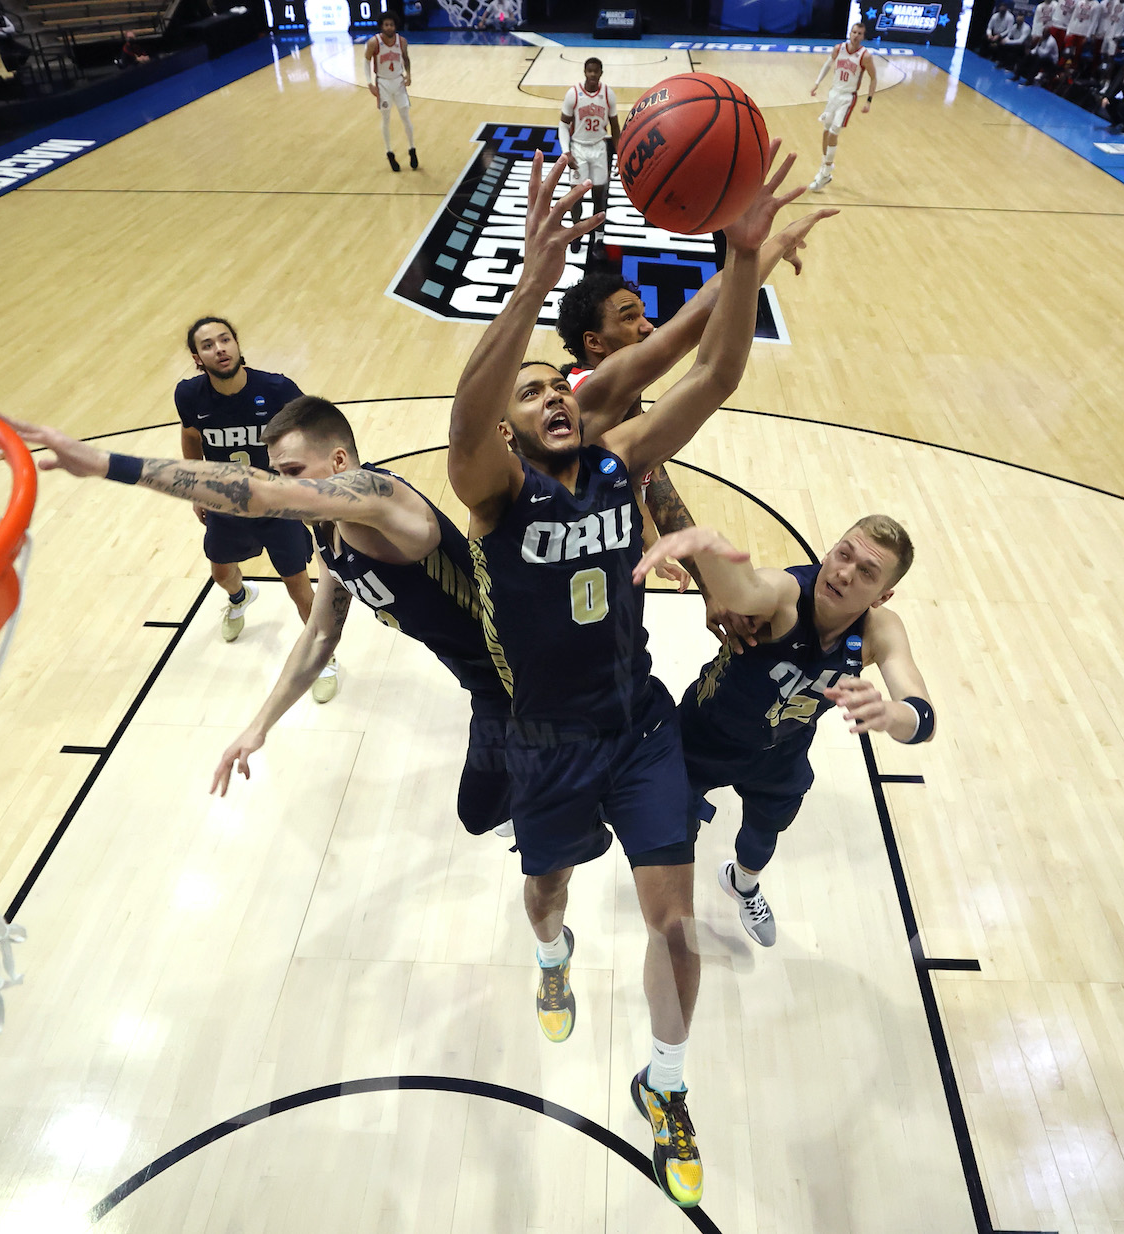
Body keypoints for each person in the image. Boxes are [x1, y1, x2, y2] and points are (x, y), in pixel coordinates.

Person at [446, 146, 833, 1210]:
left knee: (672, 922)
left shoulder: (619, 462)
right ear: (512, 429)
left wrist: (740, 261)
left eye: (556, 385)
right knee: (545, 895)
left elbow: (709, 373)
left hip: (637, 725)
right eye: (529, 395)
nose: (549, 397)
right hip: (547, 741)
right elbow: (466, 422)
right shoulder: (492, 493)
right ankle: (554, 953)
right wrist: (529, 285)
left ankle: (663, 1082)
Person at [7, 397, 517, 832]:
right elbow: (320, 635)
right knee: (485, 812)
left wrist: (104, 464)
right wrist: (259, 726)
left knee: (489, 811)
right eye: (278, 473)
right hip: (488, 682)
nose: (283, 484)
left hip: (523, 676)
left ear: (341, 462)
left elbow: (261, 495)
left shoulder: (377, 497)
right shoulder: (332, 532)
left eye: (292, 472)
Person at [631, 519, 934, 948]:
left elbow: (922, 715)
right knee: (668, 834)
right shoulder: (790, 594)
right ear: (829, 552)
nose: (845, 572)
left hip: (781, 750)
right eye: (843, 554)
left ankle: (742, 885)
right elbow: (749, 590)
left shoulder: (880, 630)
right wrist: (710, 548)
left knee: (763, 836)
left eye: (867, 572)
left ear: (883, 596)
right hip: (703, 734)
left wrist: (891, 714)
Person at [554, 247, 820, 647]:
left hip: (603, 578)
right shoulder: (582, 400)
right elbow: (705, 310)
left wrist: (709, 588)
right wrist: (761, 246)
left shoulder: (622, 412)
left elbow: (655, 487)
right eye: (629, 318)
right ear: (594, 342)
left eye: (644, 314)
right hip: (557, 587)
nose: (647, 327)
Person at [174, 317, 319, 646]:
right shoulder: (189, 395)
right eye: (207, 345)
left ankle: (322, 658)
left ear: (237, 345)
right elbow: (191, 436)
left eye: (225, 340)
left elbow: (313, 433)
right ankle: (240, 598)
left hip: (277, 505)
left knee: (298, 587)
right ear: (197, 358)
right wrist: (197, 489)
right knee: (221, 575)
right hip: (227, 502)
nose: (219, 349)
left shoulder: (277, 390)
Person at [807, 21, 875, 192]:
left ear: (863, 36)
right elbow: (827, 65)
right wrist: (817, 84)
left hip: (847, 98)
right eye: (854, 32)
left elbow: (874, 78)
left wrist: (868, 101)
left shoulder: (865, 56)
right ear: (849, 33)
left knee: (833, 133)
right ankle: (825, 169)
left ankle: (826, 171)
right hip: (833, 94)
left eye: (860, 33)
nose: (856, 36)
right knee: (825, 131)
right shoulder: (839, 48)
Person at [560, 57, 619, 242]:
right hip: (579, 148)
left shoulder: (608, 94)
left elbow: (615, 127)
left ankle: (599, 236)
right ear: (584, 72)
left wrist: (619, 154)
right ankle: (575, 235)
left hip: (599, 147)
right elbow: (563, 125)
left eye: (596, 71)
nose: (592, 74)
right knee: (576, 196)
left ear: (601, 72)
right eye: (589, 71)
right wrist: (566, 152)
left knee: (599, 195)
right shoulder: (574, 94)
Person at [364, 13, 416, 172]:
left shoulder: (402, 41)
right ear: (381, 26)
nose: (389, 27)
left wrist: (409, 74)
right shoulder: (374, 42)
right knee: (386, 118)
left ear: (395, 26)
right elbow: (366, 61)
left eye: (391, 25)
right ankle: (389, 152)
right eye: (386, 25)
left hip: (398, 82)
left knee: (405, 116)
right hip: (383, 83)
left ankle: (412, 149)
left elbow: (406, 59)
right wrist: (369, 83)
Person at [0, 2, 31, 66]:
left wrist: (2, 29)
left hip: (9, 41)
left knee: (26, 51)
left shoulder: (2, 17)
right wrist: (6, 34)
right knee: (8, 56)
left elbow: (12, 28)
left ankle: (20, 65)